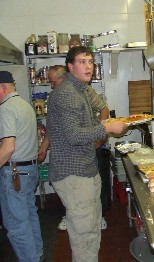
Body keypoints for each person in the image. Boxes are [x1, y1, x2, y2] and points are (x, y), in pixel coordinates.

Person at [47, 46, 128, 262]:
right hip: (73, 174)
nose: (88, 66)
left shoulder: (81, 90)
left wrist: (102, 126)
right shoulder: (67, 94)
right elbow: (73, 135)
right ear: (70, 67)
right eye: (82, 61)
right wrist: (107, 128)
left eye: (91, 61)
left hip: (85, 169)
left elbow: (84, 125)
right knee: (84, 235)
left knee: (91, 229)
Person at [38, 65, 110, 231]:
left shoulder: (85, 91)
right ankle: (76, 217)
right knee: (77, 198)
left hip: (90, 146)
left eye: (52, 81)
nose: (51, 85)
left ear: (63, 78)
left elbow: (103, 109)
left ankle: (97, 218)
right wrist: (44, 146)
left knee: (91, 195)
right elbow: (56, 127)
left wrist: (101, 132)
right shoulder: (59, 95)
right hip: (71, 161)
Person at [0, 71, 44, 261]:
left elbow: (8, 147)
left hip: (15, 173)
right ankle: (38, 254)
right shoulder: (25, 105)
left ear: (2, 87)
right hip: (30, 169)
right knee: (29, 215)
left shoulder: (6, 108)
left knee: (16, 225)